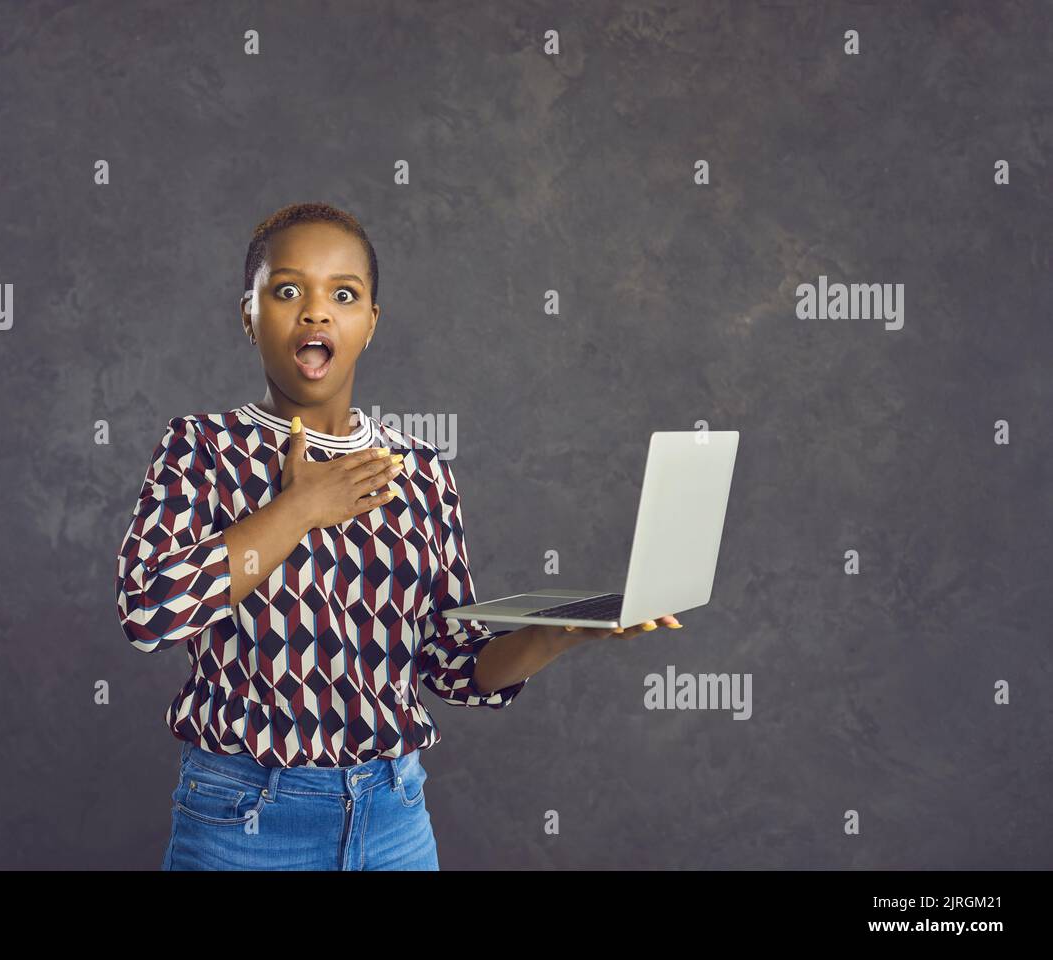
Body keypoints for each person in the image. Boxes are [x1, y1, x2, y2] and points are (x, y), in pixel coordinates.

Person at [114, 201, 681, 871]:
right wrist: (298, 508)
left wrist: (556, 634)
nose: (317, 312)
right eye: (288, 289)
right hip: (247, 821)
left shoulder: (421, 471)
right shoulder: (201, 448)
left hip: (392, 819)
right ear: (249, 313)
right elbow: (151, 614)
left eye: (344, 294)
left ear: (370, 323)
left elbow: (454, 667)